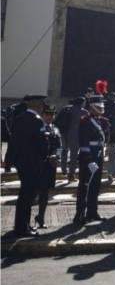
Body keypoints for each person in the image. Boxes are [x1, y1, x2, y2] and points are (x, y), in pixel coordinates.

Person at [3, 95, 50, 237]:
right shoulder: (37, 121)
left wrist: (9, 160)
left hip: (21, 163)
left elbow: (13, 141)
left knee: (24, 195)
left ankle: (21, 226)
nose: (43, 107)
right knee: (28, 196)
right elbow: (43, 144)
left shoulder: (19, 118)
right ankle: (22, 228)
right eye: (42, 104)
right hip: (33, 163)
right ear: (38, 106)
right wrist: (45, 157)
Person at [74, 89, 108, 226]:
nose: (100, 110)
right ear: (92, 108)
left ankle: (92, 212)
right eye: (98, 108)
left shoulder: (102, 121)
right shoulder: (85, 121)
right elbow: (83, 141)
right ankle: (79, 214)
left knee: (95, 186)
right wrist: (88, 160)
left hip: (98, 155)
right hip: (87, 157)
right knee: (85, 187)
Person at [34, 105, 62, 229]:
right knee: (32, 194)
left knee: (45, 194)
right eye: (47, 114)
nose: (50, 117)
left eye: (52, 115)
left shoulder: (55, 129)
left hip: (50, 166)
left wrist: (56, 156)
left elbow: (60, 146)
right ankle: (25, 222)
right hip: (38, 165)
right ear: (43, 115)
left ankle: (40, 218)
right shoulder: (37, 128)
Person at [53, 96, 87, 181]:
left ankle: (63, 169)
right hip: (75, 135)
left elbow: (56, 120)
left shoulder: (65, 108)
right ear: (82, 103)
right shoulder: (83, 112)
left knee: (64, 151)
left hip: (63, 133)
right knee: (73, 155)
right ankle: (71, 174)